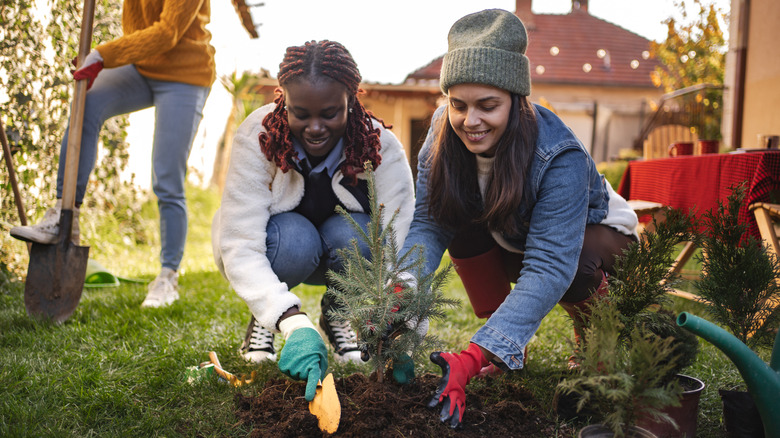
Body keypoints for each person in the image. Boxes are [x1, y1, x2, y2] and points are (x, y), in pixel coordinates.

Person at [400, 9, 639, 428]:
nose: (469, 121)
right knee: (459, 223)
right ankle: (508, 344)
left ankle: (595, 343)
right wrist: (400, 287)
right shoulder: (443, 132)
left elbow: (551, 264)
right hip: (516, 235)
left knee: (577, 257)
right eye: (458, 105)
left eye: (487, 106)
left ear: (516, 98)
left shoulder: (558, 154)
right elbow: (431, 222)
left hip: (599, 243)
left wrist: (472, 356)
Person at [210, 40, 415, 398]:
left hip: (344, 250)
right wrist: (290, 320)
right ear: (282, 100)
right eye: (300, 113)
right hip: (285, 246)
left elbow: (399, 237)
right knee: (296, 239)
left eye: (331, 113)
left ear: (351, 100)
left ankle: (337, 316)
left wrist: (398, 319)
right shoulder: (259, 136)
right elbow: (240, 242)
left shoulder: (379, 145)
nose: (315, 127)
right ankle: (268, 318)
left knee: (362, 236)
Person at [10, 0, 215, 308]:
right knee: (87, 101)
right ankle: (64, 214)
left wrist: (103, 55)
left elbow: (168, 33)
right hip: (143, 66)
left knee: (166, 176)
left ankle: (167, 276)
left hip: (185, 74)